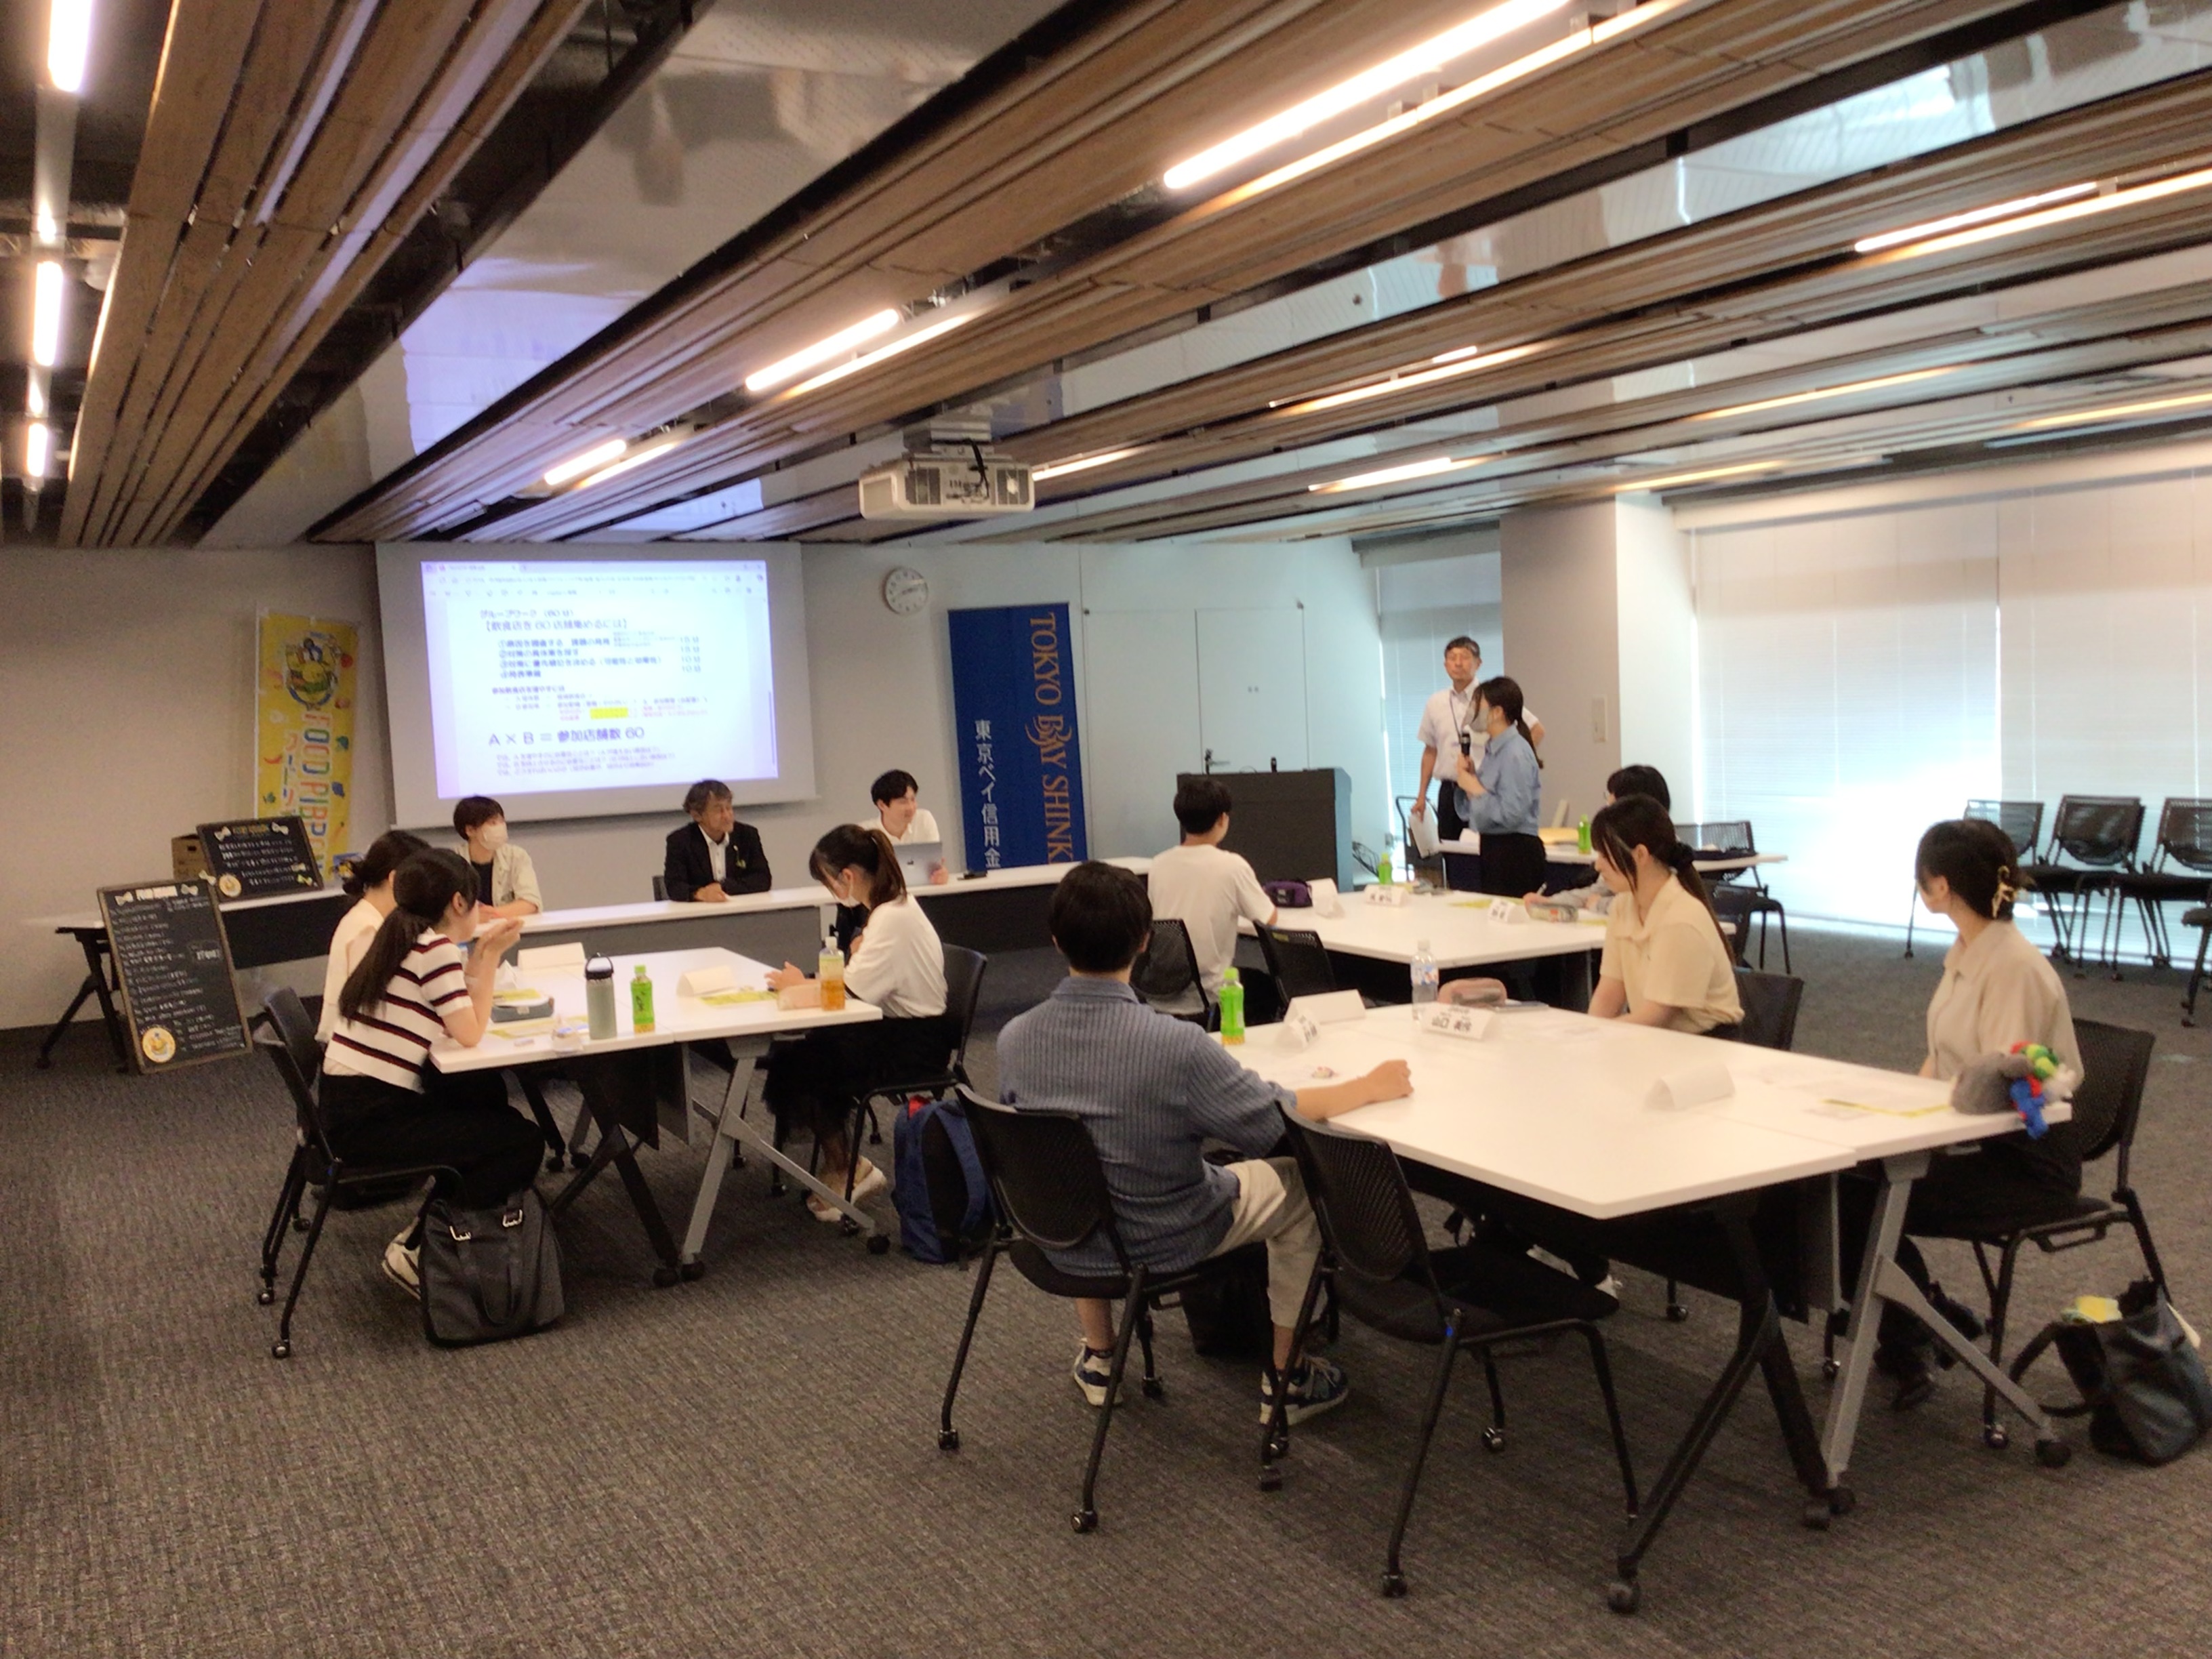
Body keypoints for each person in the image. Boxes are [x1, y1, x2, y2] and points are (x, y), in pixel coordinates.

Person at [996, 861, 1414, 1423]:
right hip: (1159, 1236)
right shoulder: (1174, 1045)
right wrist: (1367, 1086)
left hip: (1060, 1231)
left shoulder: (1014, 1039)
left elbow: (1048, 1147)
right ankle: (1288, 1377)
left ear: (1055, 940)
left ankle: (1099, 1356)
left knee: (1078, 1162)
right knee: (1300, 1185)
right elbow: (1276, 1121)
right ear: (1145, 941)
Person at [1855, 818, 2085, 1407]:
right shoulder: (1969, 953)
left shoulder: (2011, 967)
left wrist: (1917, 1133)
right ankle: (1926, 1316)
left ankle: (1918, 1326)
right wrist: (1893, 1111)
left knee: (1864, 1197)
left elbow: (1997, 1090)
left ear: (1940, 887)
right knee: (1847, 1184)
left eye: (1921, 879)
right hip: (1978, 1140)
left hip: (2023, 1162)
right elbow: (1945, 1061)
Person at [319, 848, 544, 1297]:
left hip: (345, 1109)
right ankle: (420, 1247)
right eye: (476, 902)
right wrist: (489, 957)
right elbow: (470, 1032)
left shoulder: (399, 936)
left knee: (484, 1106)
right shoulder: (434, 948)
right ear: (459, 903)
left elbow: (450, 1015)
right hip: (368, 1123)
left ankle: (439, 1233)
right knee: (520, 1141)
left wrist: (482, 956)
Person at [763, 825, 951, 1221]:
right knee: (800, 1053)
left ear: (846, 876)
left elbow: (847, 992)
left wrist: (799, 985)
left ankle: (848, 1168)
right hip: (900, 1026)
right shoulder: (890, 910)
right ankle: (843, 1164)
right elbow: (854, 983)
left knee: (803, 1064)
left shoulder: (890, 918)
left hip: (915, 1042)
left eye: (828, 881)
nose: (830, 890)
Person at [1585, 795, 1742, 1035]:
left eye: (1605, 856)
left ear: (1640, 855)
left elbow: (1657, 1016)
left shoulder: (1680, 918)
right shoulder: (1622, 906)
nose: (1597, 865)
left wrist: (1595, 1035)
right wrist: (1587, 1032)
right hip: (1661, 1039)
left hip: (1705, 1043)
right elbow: (1610, 992)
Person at [1147, 777, 1275, 1015]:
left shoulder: (1158, 864)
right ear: (1222, 819)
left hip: (1159, 988)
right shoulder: (1232, 866)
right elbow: (1268, 919)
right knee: (1268, 986)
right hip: (1208, 992)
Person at [1413, 636, 1544, 843]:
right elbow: (1430, 750)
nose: (1458, 663)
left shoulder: (1492, 696)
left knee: (1483, 845)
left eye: (1464, 657)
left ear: (1478, 663)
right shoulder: (1436, 702)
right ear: (1445, 664)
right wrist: (1421, 795)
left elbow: (1536, 729)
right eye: (1452, 658)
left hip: (1487, 789)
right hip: (1451, 789)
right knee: (1451, 850)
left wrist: (1505, 763)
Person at [316, 830, 430, 1042]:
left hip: (356, 1039)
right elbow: (371, 1006)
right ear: (395, 878)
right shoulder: (367, 928)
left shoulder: (372, 917)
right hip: (350, 1045)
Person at [1454, 676, 1547, 897]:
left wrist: (1475, 787)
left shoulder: (1515, 752)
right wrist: (1470, 779)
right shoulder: (1494, 749)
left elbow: (1513, 813)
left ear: (1497, 712)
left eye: (1479, 705)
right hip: (1494, 847)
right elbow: (1484, 803)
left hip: (1515, 852)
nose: (1473, 711)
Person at [1538, 764, 1673, 915]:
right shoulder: (1620, 852)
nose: (1598, 866)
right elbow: (1597, 892)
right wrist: (1551, 902)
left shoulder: (1666, 858)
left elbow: (1649, 905)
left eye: (1613, 801)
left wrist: (1600, 904)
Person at [664, 779, 771, 901]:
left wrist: (722, 887)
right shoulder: (680, 841)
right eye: (718, 810)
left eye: (729, 808)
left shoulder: (747, 835)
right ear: (697, 815)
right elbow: (675, 886)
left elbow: (762, 879)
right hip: (699, 910)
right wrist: (701, 894)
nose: (727, 816)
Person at [453, 796, 541, 920]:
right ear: (470, 830)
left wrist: (491, 914)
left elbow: (531, 903)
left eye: (502, 822)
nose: (500, 827)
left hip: (507, 926)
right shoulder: (452, 861)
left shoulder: (516, 856)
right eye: (493, 823)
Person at [863, 768, 949, 885]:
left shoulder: (924, 819)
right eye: (903, 802)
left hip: (923, 892)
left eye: (913, 800)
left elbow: (934, 867)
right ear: (882, 805)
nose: (911, 807)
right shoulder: (866, 832)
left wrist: (940, 874)